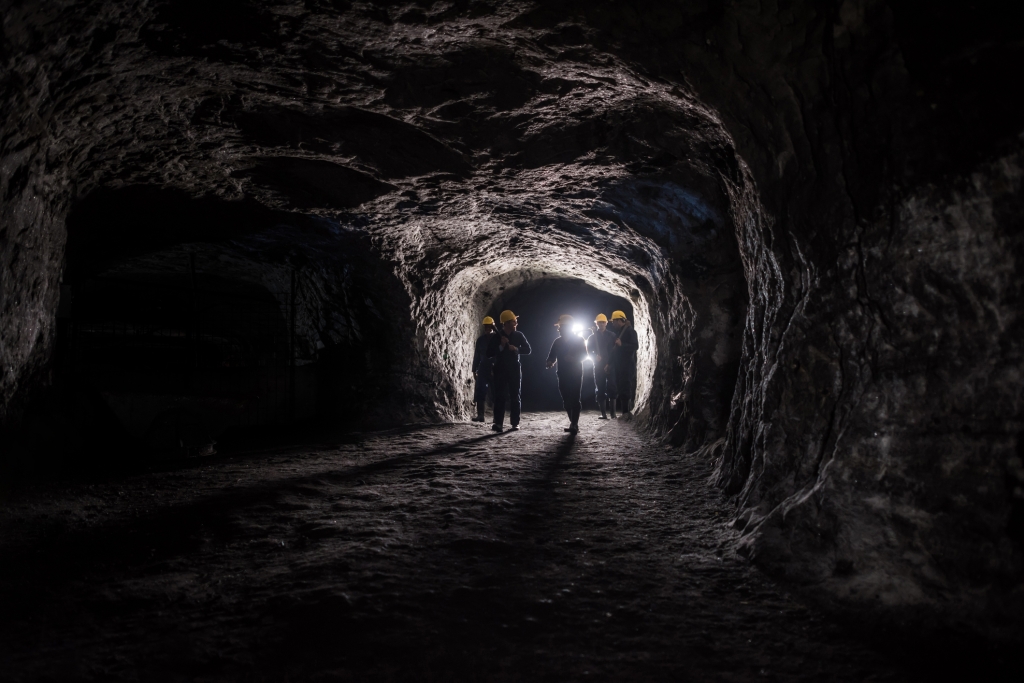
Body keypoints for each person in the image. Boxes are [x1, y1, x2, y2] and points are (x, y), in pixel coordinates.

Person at [487, 309, 531, 432]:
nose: (516, 323)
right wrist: (500, 346)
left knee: (515, 396)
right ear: (506, 323)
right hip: (500, 369)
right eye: (513, 321)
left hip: (514, 368)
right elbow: (489, 353)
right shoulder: (497, 336)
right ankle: (498, 423)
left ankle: (515, 423)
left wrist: (516, 349)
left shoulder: (519, 335)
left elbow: (528, 349)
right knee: (499, 396)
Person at [545, 314, 589, 434]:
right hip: (562, 373)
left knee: (574, 398)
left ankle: (574, 424)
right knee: (566, 400)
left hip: (576, 373)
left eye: (560, 327)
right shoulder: (557, 342)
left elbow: (585, 356)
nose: (558, 329)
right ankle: (573, 422)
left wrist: (574, 359)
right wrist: (550, 362)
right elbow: (552, 356)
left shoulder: (579, 340)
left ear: (567, 327)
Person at [587, 313, 618, 419]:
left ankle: (613, 414)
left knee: (612, 386)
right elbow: (589, 351)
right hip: (598, 365)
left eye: (603, 322)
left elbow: (615, 351)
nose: (601, 324)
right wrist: (594, 356)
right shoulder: (592, 337)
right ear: (596, 323)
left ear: (606, 323)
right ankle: (603, 413)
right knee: (600, 387)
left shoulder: (612, 335)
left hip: (610, 364)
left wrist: (610, 363)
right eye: (599, 322)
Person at [608, 310, 639, 415]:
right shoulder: (619, 332)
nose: (612, 323)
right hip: (619, 364)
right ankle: (624, 412)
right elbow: (615, 350)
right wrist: (609, 363)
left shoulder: (630, 331)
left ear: (619, 320)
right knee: (620, 387)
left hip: (627, 365)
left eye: (614, 321)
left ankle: (626, 412)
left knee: (625, 386)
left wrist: (622, 345)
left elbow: (635, 346)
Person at [470, 316, 497, 422]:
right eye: (485, 326)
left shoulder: (497, 339)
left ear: (493, 326)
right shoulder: (480, 340)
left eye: (489, 326)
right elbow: (477, 355)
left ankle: (496, 416)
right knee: (480, 391)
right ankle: (480, 415)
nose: (487, 328)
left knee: (496, 392)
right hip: (483, 368)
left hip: (495, 368)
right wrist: (474, 370)